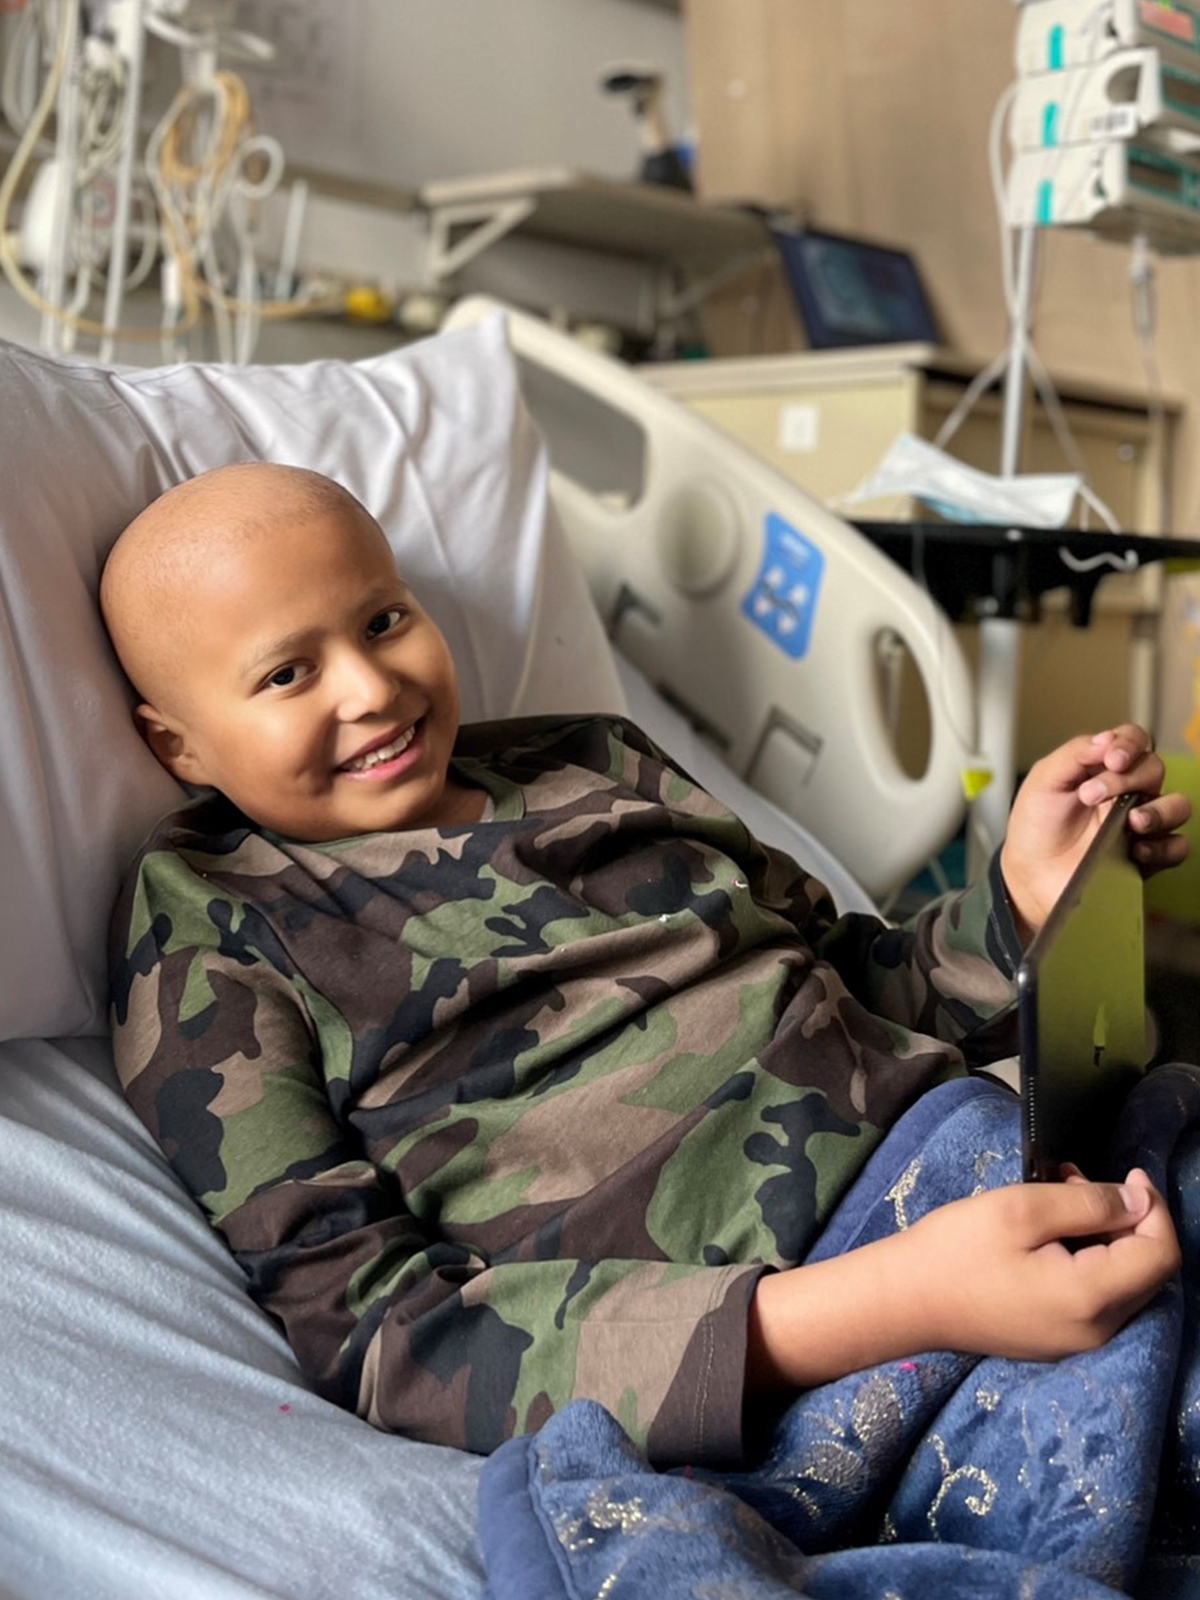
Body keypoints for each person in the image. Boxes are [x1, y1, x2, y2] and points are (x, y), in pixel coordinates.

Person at [102, 462, 1189, 1469]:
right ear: (178, 747)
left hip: (991, 1167)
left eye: (384, 620)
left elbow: (859, 982)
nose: (372, 689)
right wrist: (899, 1299)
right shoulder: (217, 922)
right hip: (780, 1342)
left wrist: (1023, 905)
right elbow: (389, 1340)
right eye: (288, 672)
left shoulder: (598, 761)